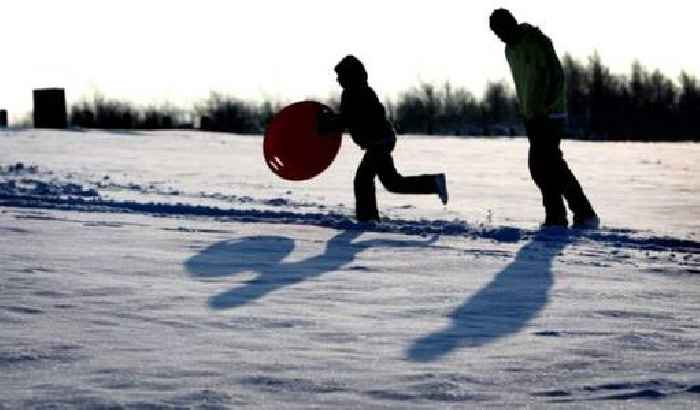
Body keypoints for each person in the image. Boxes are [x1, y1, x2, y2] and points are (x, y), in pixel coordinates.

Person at [489, 9, 599, 228]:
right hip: (532, 116)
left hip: (550, 114)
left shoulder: (535, 41)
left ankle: (581, 214)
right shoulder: (510, 49)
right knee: (544, 166)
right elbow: (525, 83)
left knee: (548, 164)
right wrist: (528, 110)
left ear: (510, 24)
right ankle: (559, 215)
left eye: (500, 30)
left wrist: (546, 106)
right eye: (496, 33)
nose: (499, 36)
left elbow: (556, 75)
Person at [319, 55, 448, 222]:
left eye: (341, 75)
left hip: (378, 142)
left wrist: (326, 125)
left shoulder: (358, 92)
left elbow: (350, 119)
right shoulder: (355, 91)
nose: (338, 80)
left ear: (350, 75)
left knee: (363, 180)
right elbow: (349, 118)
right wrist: (332, 122)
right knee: (392, 183)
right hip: (379, 141)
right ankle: (433, 183)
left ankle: (367, 220)